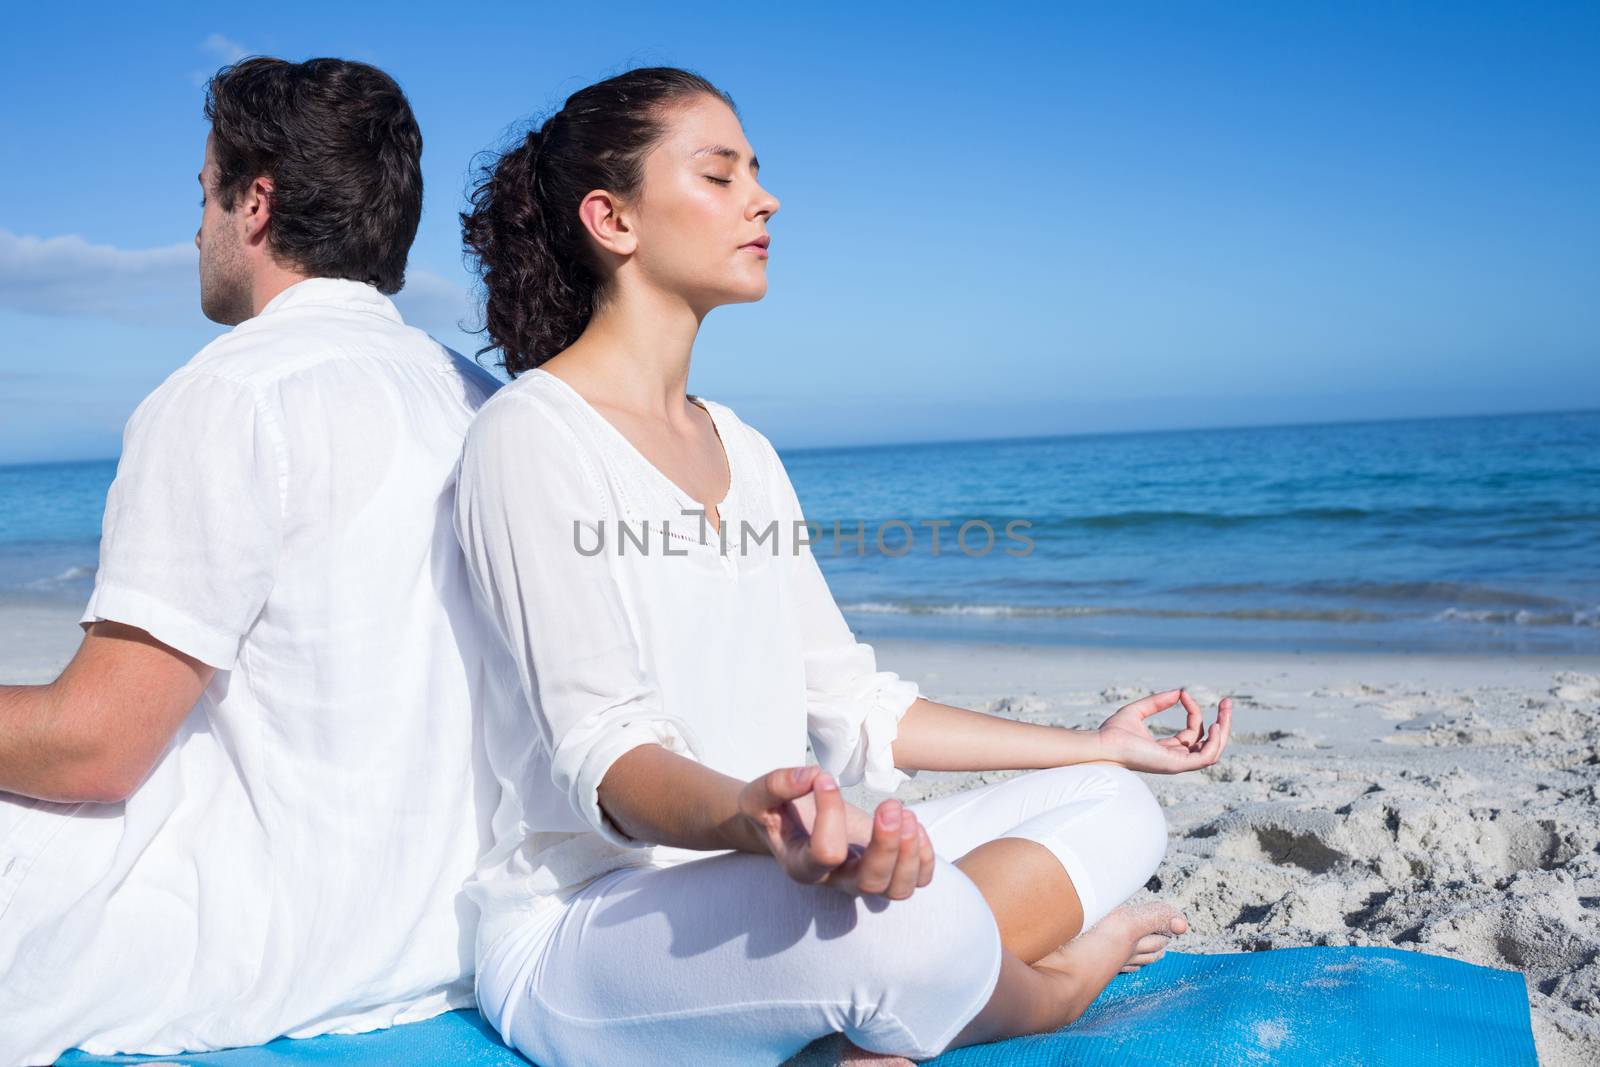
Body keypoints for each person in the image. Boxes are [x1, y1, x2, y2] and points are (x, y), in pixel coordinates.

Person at [454, 65, 1234, 1067]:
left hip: (788, 874)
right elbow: (605, 753)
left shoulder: (743, 445)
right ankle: (1054, 985)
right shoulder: (530, 435)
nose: (763, 198)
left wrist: (1096, 741)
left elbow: (855, 704)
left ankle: (850, 1019)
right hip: (597, 924)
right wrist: (751, 814)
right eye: (720, 174)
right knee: (915, 925)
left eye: (756, 173)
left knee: (1111, 803)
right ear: (613, 220)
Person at [0, 57, 503, 1064]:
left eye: (204, 196)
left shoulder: (228, 395)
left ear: (256, 204)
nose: (196, 230)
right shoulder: (480, 402)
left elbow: (95, 747)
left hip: (274, 939)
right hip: (445, 933)